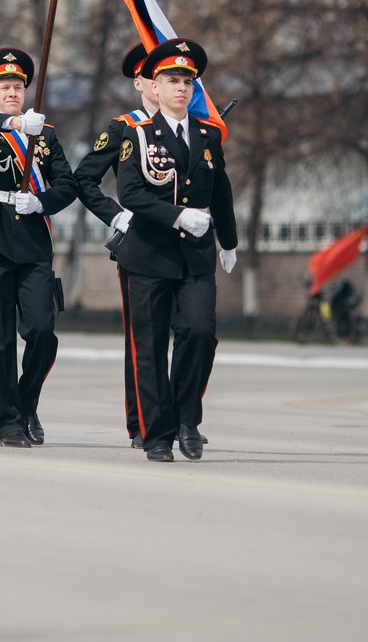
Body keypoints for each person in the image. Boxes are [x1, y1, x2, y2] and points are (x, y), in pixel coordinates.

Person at [114, 38, 237, 463]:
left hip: (197, 256)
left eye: (187, 80)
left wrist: (230, 240)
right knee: (149, 348)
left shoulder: (207, 134)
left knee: (200, 333)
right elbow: (129, 192)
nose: (181, 88)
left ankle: (188, 419)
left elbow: (220, 190)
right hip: (149, 253)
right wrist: (175, 216)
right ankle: (156, 434)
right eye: (172, 80)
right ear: (155, 85)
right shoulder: (139, 134)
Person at [0, 48, 79, 448]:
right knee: (0, 338)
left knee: (43, 330)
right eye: (5, 87)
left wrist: (42, 203)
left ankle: (27, 404)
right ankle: (8, 422)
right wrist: (15, 124)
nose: (13, 92)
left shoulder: (45, 135)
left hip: (32, 238)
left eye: (18, 86)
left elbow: (67, 184)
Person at [74, 42, 156, 447]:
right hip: (139, 243)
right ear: (140, 81)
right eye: (153, 74)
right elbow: (84, 179)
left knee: (191, 334)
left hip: (182, 245)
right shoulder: (124, 126)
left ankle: (180, 418)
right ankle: (141, 422)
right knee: (143, 337)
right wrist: (116, 215)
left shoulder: (194, 127)